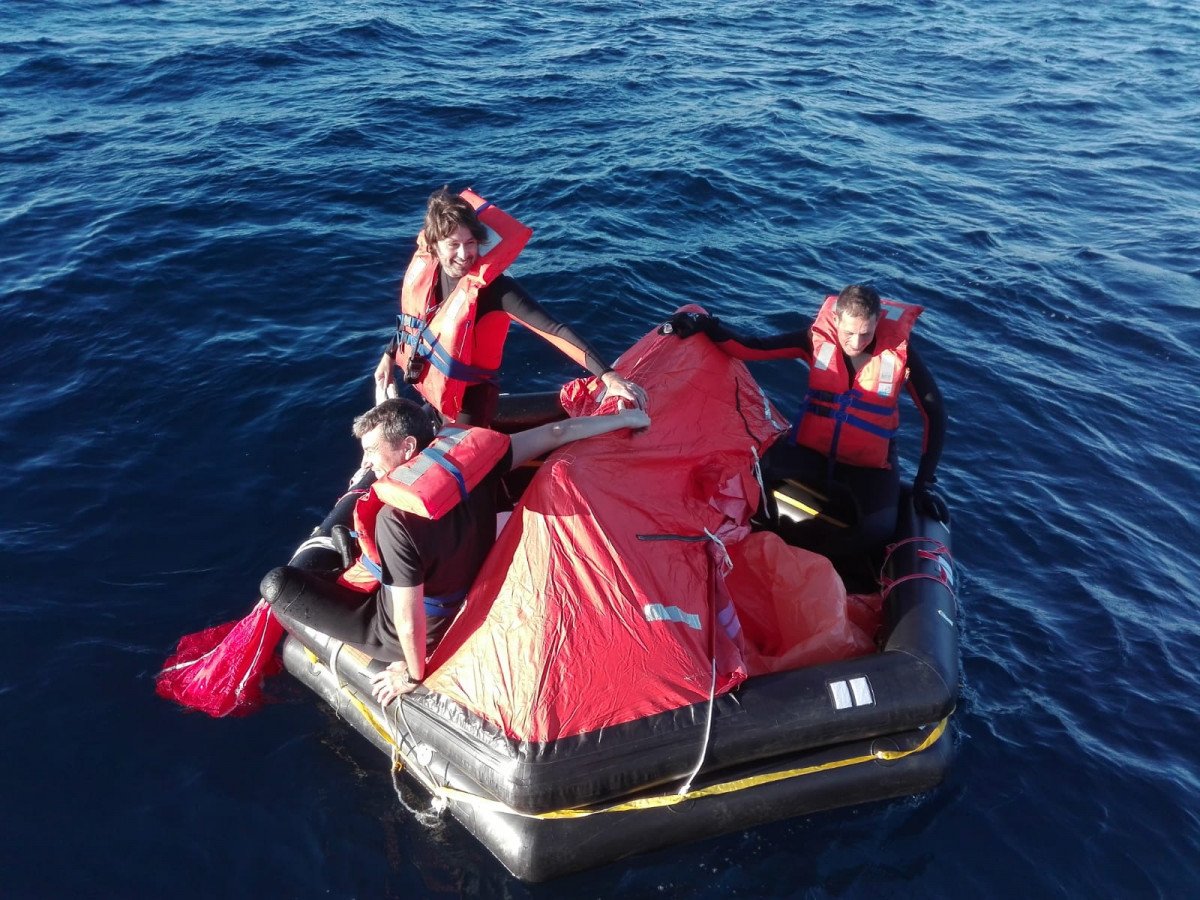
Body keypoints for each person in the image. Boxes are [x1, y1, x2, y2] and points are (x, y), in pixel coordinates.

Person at [261, 397, 650, 707]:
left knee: (278, 585)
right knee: (349, 568)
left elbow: (408, 618)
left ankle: (347, 573)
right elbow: (557, 431)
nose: (367, 464)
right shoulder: (477, 463)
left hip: (395, 632)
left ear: (408, 446)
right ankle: (353, 564)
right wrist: (625, 420)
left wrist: (412, 675)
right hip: (457, 588)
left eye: (373, 454)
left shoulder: (396, 522)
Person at [666, 284, 946, 555]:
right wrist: (707, 325)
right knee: (753, 478)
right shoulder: (813, 339)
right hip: (813, 451)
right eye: (849, 333)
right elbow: (752, 348)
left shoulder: (901, 353)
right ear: (835, 320)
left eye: (866, 333)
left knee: (879, 530)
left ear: (876, 324)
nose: (857, 343)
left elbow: (934, 412)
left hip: (869, 466)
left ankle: (821, 561)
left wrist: (924, 483)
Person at [374, 187, 647, 425]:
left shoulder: (495, 289)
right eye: (453, 245)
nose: (464, 254)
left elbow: (554, 329)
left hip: (473, 405)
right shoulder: (431, 270)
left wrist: (609, 376)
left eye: (470, 243)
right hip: (438, 395)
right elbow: (417, 320)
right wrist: (388, 356)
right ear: (434, 246)